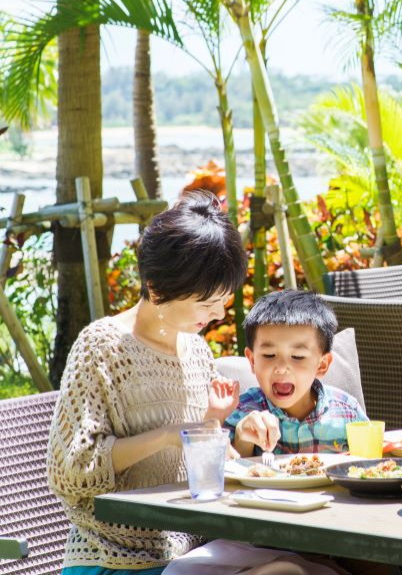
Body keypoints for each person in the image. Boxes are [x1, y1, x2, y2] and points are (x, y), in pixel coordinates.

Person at [48, 191, 340, 575]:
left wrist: (237, 436)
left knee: (308, 569)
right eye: (207, 303)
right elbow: (71, 471)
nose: (218, 313)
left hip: (193, 550)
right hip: (113, 558)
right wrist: (169, 435)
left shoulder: (196, 351)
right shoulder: (101, 348)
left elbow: (202, 454)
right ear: (157, 289)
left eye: (223, 300)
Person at [224, 289, 367, 457]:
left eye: (297, 356)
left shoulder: (347, 412)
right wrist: (242, 437)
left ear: (322, 365)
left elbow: (370, 464)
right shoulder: (241, 411)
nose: (281, 367)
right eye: (269, 355)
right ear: (252, 360)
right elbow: (224, 468)